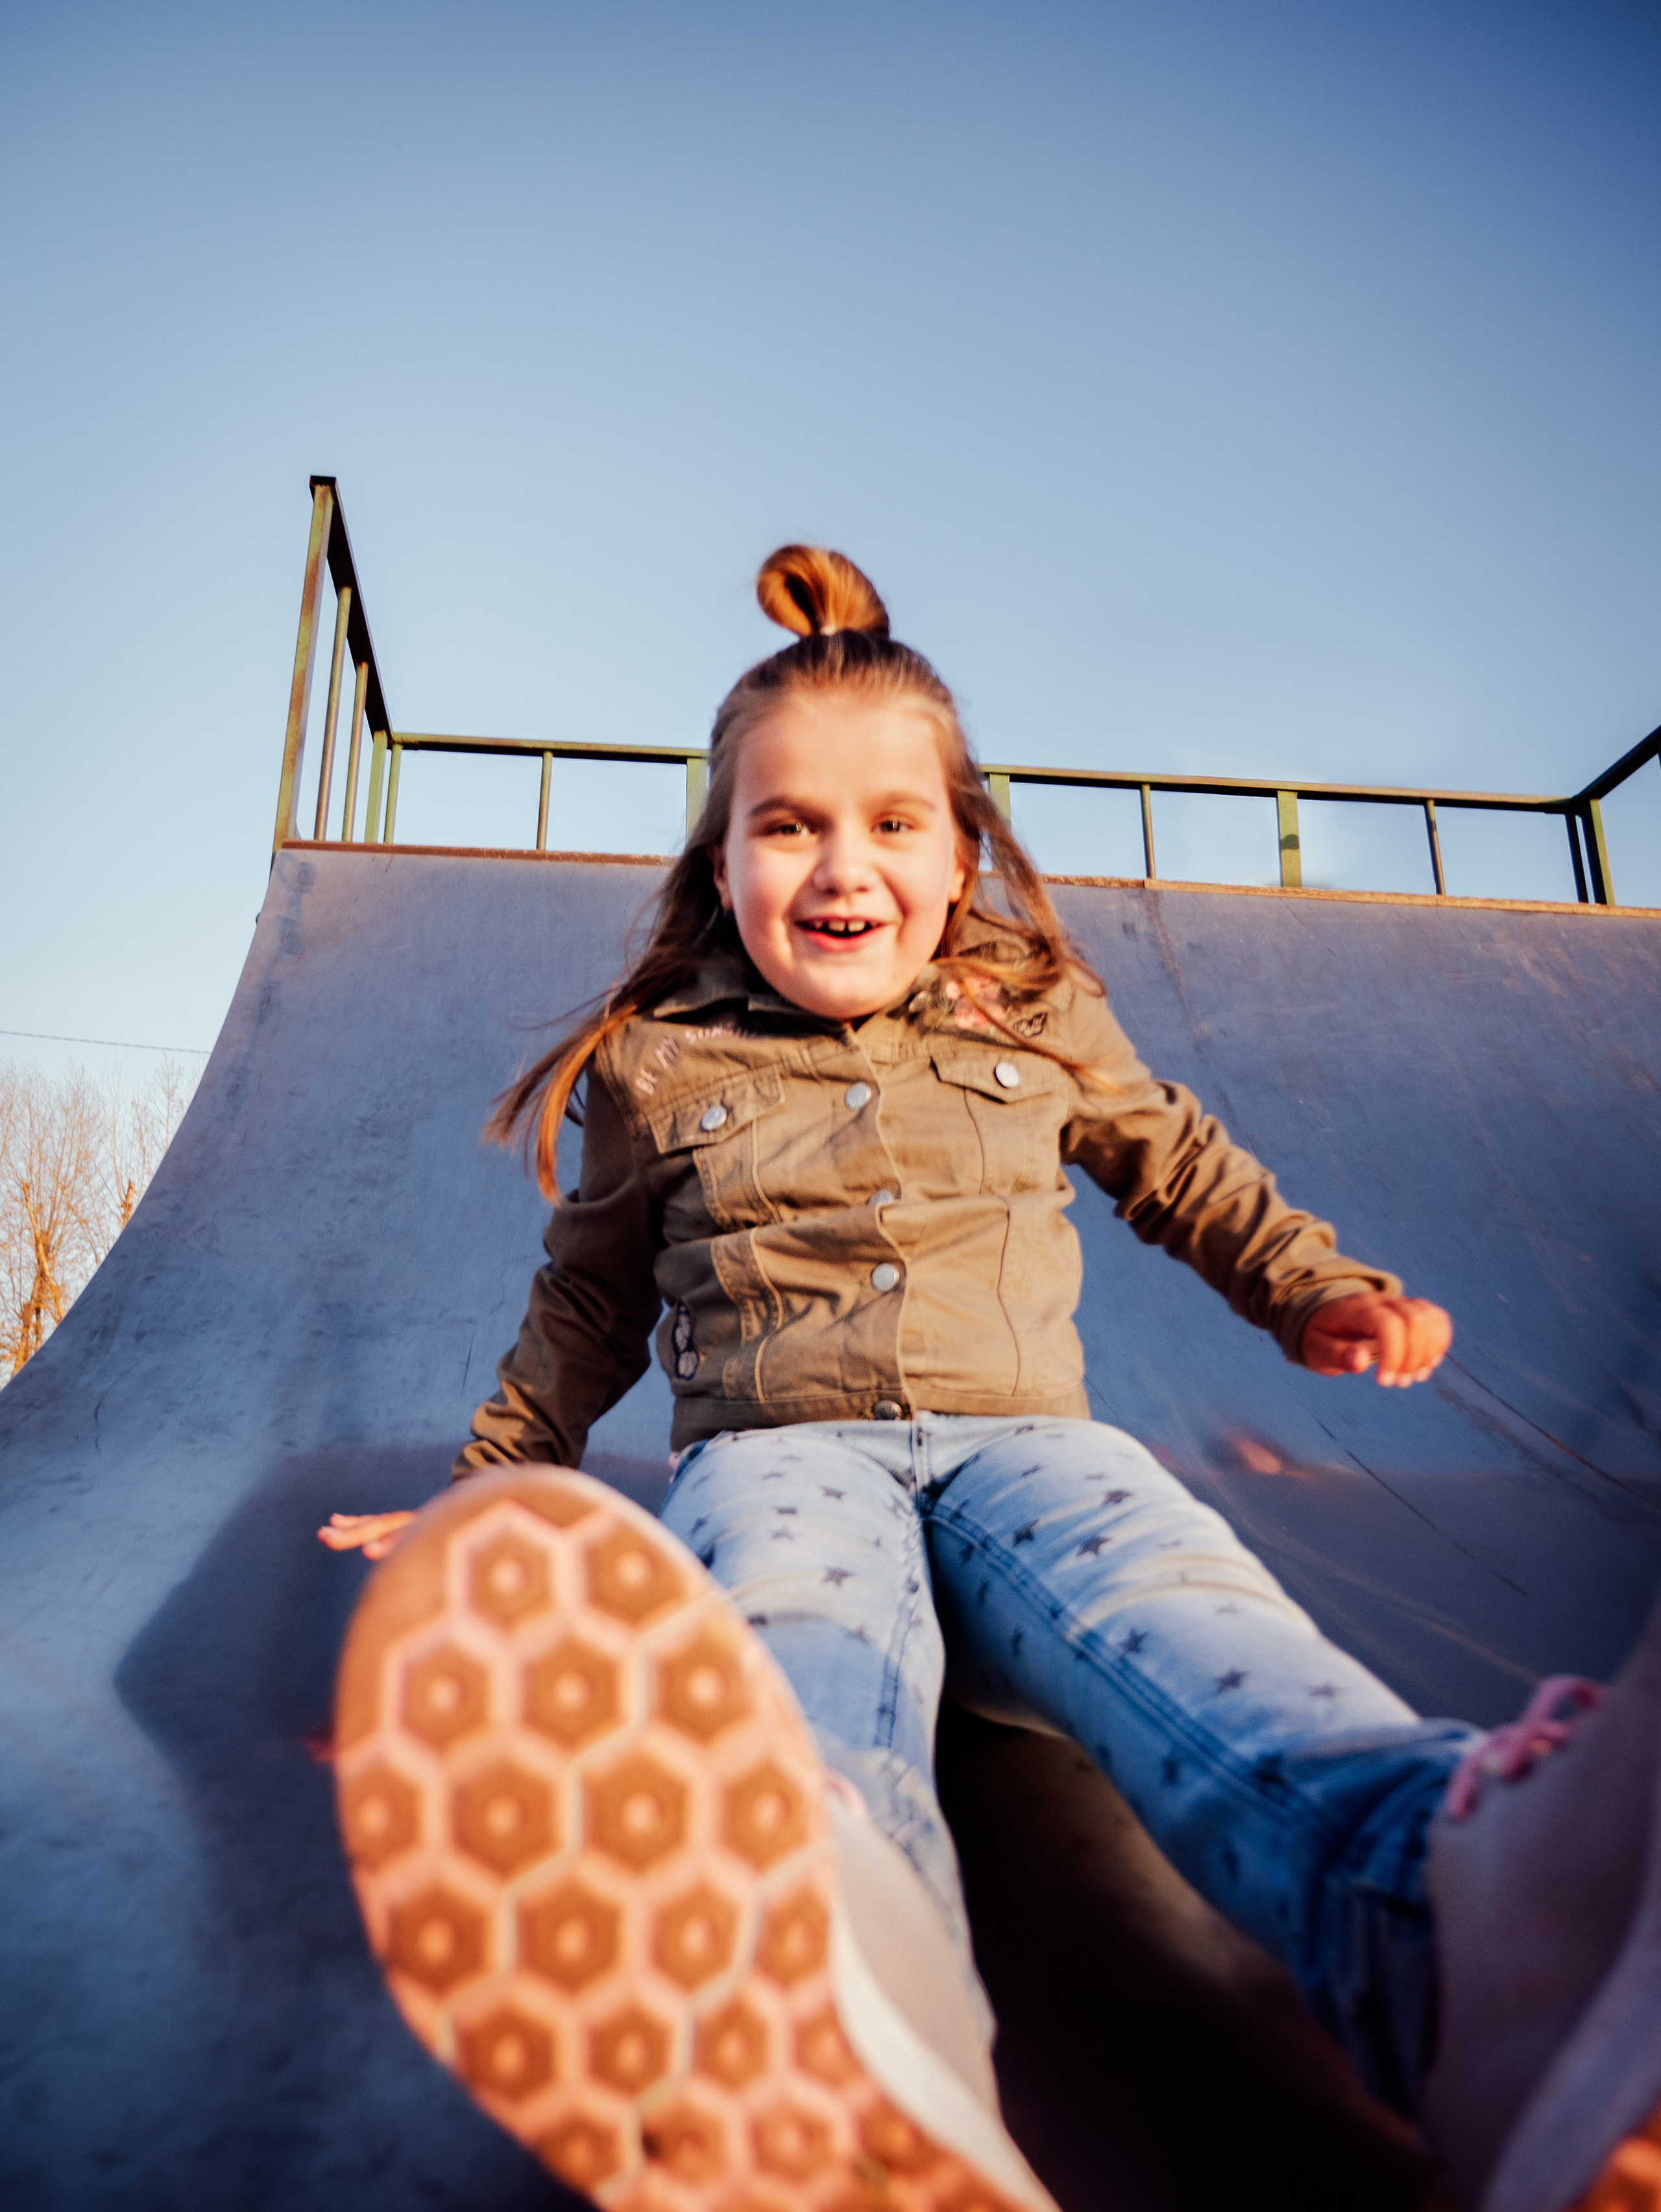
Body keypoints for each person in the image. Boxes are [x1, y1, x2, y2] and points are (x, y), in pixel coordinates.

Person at [321, 547, 1660, 2212]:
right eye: (786, 825)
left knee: (1181, 1610)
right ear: (720, 861)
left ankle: (1463, 1941)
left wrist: (1307, 1284)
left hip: (1030, 1450)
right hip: (781, 1448)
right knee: (797, 1648)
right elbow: (586, 1297)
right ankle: (841, 2011)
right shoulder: (660, 1061)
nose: (841, 864)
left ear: (960, 855)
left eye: (892, 821)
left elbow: (1172, 1157)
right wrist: (492, 1480)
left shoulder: (1032, 1012)